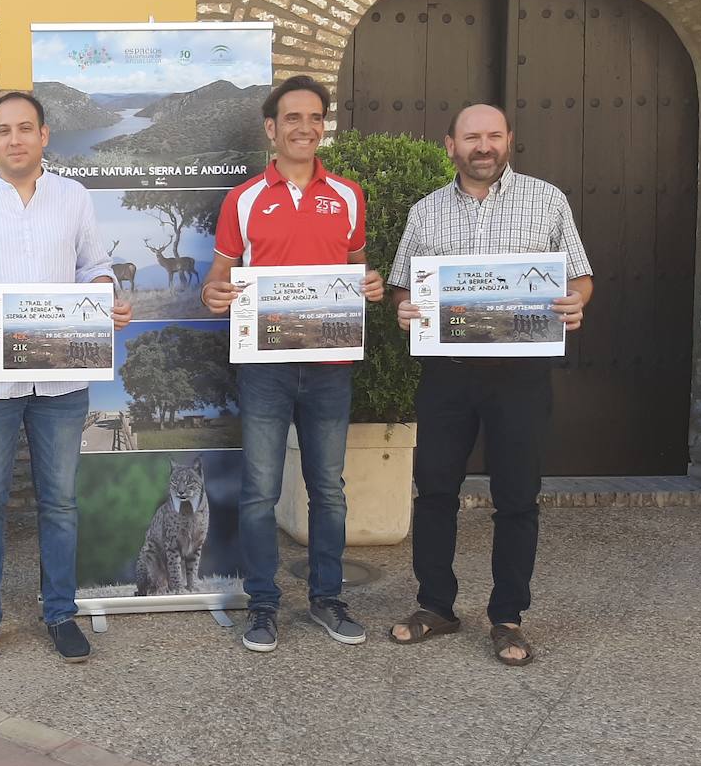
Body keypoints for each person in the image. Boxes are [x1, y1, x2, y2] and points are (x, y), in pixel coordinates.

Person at [0, 91, 131, 668]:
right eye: (2, 130)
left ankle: (61, 614)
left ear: (45, 135)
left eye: (25, 128)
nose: (14, 139)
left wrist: (108, 297)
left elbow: (95, 267)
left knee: (61, 502)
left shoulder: (73, 198)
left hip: (63, 378)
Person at [387, 103, 592, 666]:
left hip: (521, 376)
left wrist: (576, 302)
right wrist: (404, 309)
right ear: (450, 143)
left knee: (518, 498)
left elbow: (578, 276)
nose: (484, 146)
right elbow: (403, 288)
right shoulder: (426, 211)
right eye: (472, 136)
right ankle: (436, 605)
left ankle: (507, 615)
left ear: (509, 141)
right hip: (446, 376)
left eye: (493, 136)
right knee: (434, 492)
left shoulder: (547, 200)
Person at [201, 75, 385, 653]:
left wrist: (372, 285)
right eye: (292, 119)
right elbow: (218, 278)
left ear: (323, 125)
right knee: (259, 491)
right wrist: (214, 294)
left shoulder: (349, 195)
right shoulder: (244, 199)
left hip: (330, 366)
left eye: (314, 118)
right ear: (271, 128)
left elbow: (356, 268)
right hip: (265, 367)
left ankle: (328, 599)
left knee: (327, 489)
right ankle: (262, 606)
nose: (304, 128)